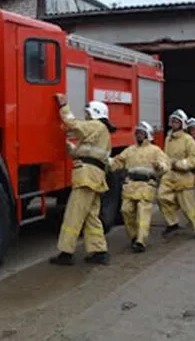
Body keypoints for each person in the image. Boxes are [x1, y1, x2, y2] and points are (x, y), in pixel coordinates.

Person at [50, 93, 116, 266]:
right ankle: (99, 252)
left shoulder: (96, 126)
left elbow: (74, 124)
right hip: (94, 177)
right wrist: (66, 145)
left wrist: (64, 106)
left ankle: (66, 253)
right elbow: (80, 153)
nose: (86, 117)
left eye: (88, 113)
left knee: (74, 214)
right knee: (91, 216)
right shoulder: (101, 132)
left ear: (95, 113)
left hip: (86, 177)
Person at [110, 121, 170, 252]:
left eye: (142, 133)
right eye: (137, 133)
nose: (139, 135)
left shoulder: (155, 150)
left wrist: (160, 166)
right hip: (131, 186)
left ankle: (141, 240)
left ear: (148, 135)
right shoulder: (130, 150)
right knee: (126, 210)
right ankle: (134, 236)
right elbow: (118, 161)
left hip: (146, 186)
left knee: (143, 214)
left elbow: (165, 164)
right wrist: (105, 161)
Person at [157, 109, 195, 239]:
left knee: (188, 206)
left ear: (182, 124)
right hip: (169, 175)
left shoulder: (188, 139)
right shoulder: (168, 138)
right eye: (173, 121)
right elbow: (166, 156)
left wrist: (180, 164)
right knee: (161, 197)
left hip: (184, 176)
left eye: (177, 121)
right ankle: (172, 223)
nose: (174, 123)